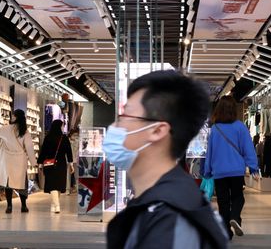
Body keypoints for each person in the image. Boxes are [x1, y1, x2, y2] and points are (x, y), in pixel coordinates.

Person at [105, 71, 229, 249]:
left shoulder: (168, 219)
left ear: (157, 130)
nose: (116, 126)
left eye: (125, 116)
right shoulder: (167, 203)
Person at [203, 95, 260, 239]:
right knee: (238, 197)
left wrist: (207, 170)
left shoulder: (215, 129)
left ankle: (226, 232)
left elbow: (210, 151)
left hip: (219, 171)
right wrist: (253, 167)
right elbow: (248, 148)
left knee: (223, 201)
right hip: (236, 170)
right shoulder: (240, 127)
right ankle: (235, 217)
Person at [0, 109, 36, 213]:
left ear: (15, 117)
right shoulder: (25, 131)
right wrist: (34, 163)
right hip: (20, 160)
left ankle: (9, 206)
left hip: (8, 160)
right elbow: (29, 148)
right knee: (22, 184)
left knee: (9, 183)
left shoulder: (6, 129)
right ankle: (24, 206)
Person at [37, 119, 73, 213]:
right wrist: (71, 163)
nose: (62, 127)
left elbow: (43, 151)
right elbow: (69, 152)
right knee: (58, 185)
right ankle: (57, 206)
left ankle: (54, 205)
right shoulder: (64, 138)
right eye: (62, 126)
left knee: (53, 185)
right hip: (61, 164)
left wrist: (40, 163)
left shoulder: (48, 137)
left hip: (49, 164)